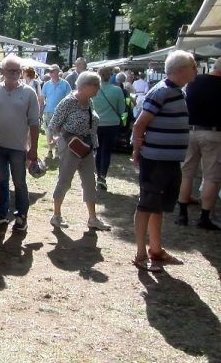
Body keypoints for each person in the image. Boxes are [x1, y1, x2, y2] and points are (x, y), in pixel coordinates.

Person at [131, 50, 196, 272]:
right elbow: (140, 124)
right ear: (181, 70)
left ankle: (156, 249)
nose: (196, 70)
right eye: (193, 66)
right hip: (155, 161)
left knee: (158, 205)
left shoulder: (176, 91)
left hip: (170, 161)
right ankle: (141, 253)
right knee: (147, 204)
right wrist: (137, 150)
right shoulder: (161, 92)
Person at [0, 54, 40, 232]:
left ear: (22, 72)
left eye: (17, 70)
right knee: (1, 181)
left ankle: (21, 216)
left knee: (19, 183)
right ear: (2, 71)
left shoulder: (29, 93)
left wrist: (34, 149)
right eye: (11, 70)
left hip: (18, 147)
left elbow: (34, 123)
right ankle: (2, 214)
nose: (14, 73)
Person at [47, 71, 112, 231]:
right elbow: (53, 124)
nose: (98, 88)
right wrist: (63, 138)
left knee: (90, 182)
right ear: (85, 86)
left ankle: (93, 218)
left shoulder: (89, 102)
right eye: (96, 85)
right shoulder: (68, 102)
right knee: (65, 180)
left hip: (87, 146)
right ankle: (56, 216)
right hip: (71, 147)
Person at [176, 59, 221, 230]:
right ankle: (204, 217)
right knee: (211, 176)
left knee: (187, 173)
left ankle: (182, 213)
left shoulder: (195, 81)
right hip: (214, 133)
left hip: (190, 131)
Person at [92, 67, 127, 191]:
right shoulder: (117, 90)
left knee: (98, 150)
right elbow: (122, 109)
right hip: (112, 124)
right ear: (111, 76)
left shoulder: (94, 89)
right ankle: (102, 177)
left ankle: (97, 176)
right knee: (106, 151)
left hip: (97, 124)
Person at [40, 64, 72, 159]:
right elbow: (42, 98)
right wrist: (41, 109)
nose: (50, 73)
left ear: (58, 72)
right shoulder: (46, 84)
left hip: (61, 112)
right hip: (48, 112)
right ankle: (50, 150)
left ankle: (58, 150)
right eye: (49, 71)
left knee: (59, 132)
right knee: (48, 131)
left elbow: (69, 97)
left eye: (52, 71)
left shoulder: (65, 84)